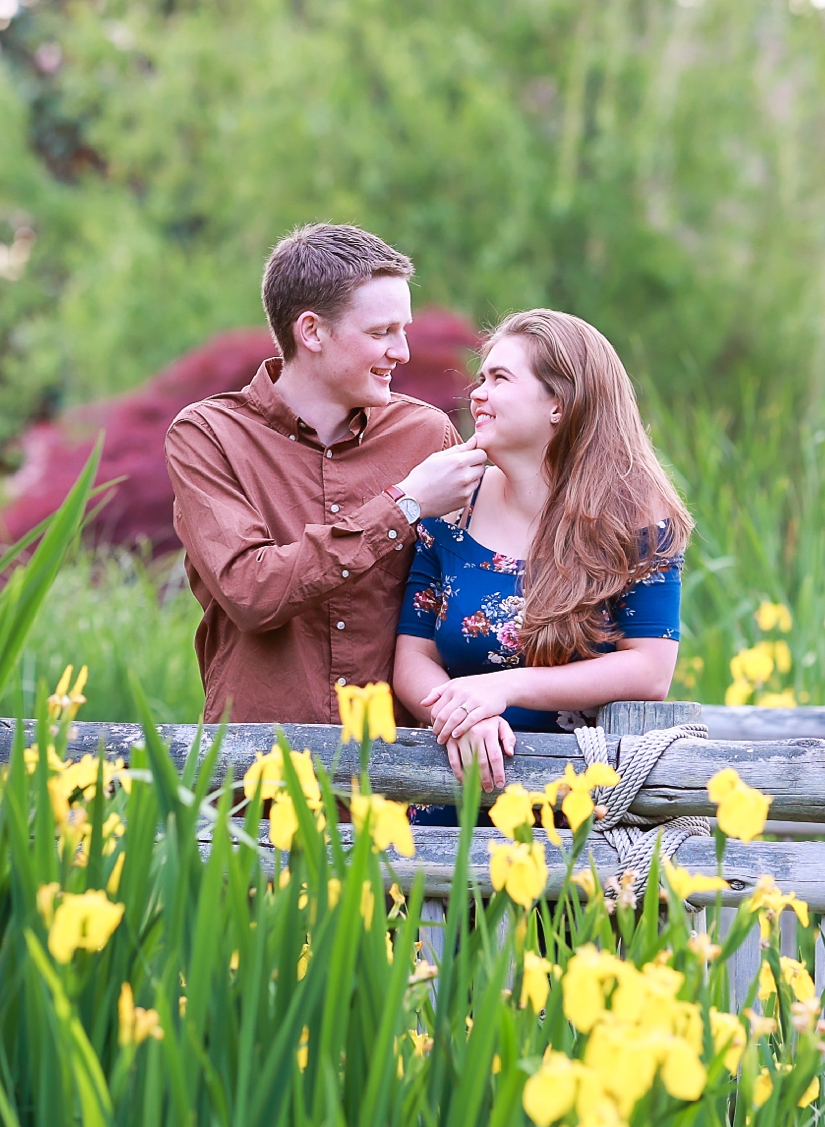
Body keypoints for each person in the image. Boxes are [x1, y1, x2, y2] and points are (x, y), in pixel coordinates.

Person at [165, 223, 487, 723]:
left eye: (404, 330)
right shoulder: (208, 435)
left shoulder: (428, 435)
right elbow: (251, 593)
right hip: (259, 776)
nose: (400, 352)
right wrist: (404, 505)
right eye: (381, 333)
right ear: (311, 331)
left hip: (397, 778)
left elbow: (473, 597)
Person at [394, 310, 691, 815]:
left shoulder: (636, 522)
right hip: (451, 801)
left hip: (577, 815)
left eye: (499, 378)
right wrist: (465, 714)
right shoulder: (449, 511)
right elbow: (411, 659)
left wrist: (502, 688)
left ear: (559, 403)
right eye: (480, 378)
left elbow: (650, 668)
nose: (477, 394)